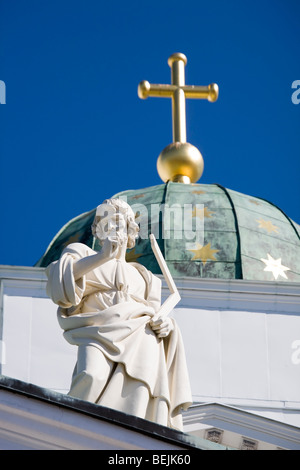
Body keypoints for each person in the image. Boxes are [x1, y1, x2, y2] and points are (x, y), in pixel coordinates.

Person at [46, 198, 192, 430]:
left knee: (139, 391)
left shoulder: (146, 277)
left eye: (118, 223)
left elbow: (155, 314)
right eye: (106, 223)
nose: (113, 228)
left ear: (129, 230)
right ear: (98, 231)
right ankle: (70, 434)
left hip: (141, 337)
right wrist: (103, 256)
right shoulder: (82, 253)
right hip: (97, 332)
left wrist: (165, 325)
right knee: (91, 375)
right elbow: (60, 282)